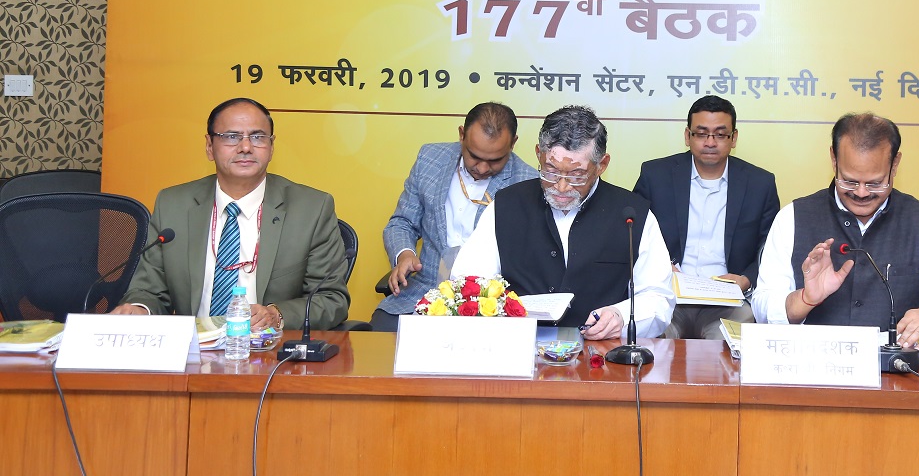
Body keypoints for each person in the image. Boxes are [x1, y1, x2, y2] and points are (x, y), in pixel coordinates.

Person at [114, 98, 351, 330]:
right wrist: (140, 309)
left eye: (258, 137)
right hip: (194, 347)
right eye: (231, 136)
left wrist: (276, 315)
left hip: (268, 347)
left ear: (271, 147)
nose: (245, 147)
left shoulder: (311, 209)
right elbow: (149, 290)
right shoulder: (173, 205)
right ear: (209, 146)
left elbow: (331, 299)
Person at [752, 113, 919, 351]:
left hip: (898, 369)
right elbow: (762, 306)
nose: (861, 193)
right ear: (834, 160)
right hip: (811, 364)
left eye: (874, 183)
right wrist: (805, 299)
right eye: (849, 181)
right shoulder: (792, 217)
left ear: (895, 165)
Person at [452, 105, 674, 341]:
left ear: (602, 165)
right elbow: (468, 282)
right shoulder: (506, 205)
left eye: (577, 175)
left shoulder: (632, 215)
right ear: (539, 154)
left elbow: (658, 297)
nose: (561, 186)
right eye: (551, 171)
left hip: (602, 351)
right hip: (518, 345)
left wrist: (620, 316)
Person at [371, 102, 538, 331]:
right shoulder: (430, 160)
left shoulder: (528, 182)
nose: (482, 168)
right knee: (381, 334)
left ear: (513, 143)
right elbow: (402, 223)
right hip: (424, 292)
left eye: (495, 160)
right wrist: (405, 253)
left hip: (490, 304)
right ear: (461, 135)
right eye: (474, 156)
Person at [633, 95, 779, 339]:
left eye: (720, 135)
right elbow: (633, 234)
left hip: (729, 303)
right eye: (701, 134)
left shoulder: (760, 183)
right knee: (653, 343)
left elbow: (770, 247)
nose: (710, 142)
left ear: (733, 138)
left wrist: (746, 279)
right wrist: (660, 267)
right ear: (687, 136)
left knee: (729, 350)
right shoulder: (655, 175)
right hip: (668, 295)